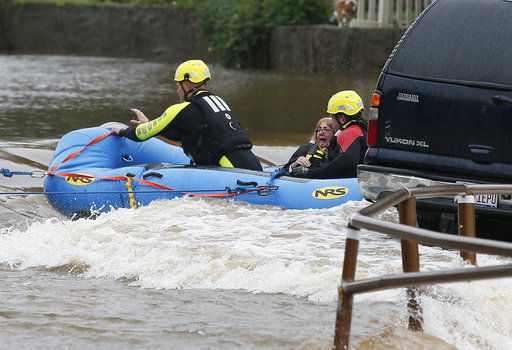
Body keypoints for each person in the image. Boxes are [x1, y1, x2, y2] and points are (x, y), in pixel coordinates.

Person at [111, 59, 262, 171]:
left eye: (178, 85)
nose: (177, 90)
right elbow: (190, 135)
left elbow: (141, 135)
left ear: (188, 85)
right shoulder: (218, 101)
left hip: (231, 173)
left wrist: (122, 131)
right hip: (253, 166)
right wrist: (150, 124)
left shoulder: (180, 109)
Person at [290, 90, 368, 179]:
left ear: (342, 119)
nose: (332, 123)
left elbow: (344, 163)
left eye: (332, 118)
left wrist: (310, 173)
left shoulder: (350, 133)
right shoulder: (366, 130)